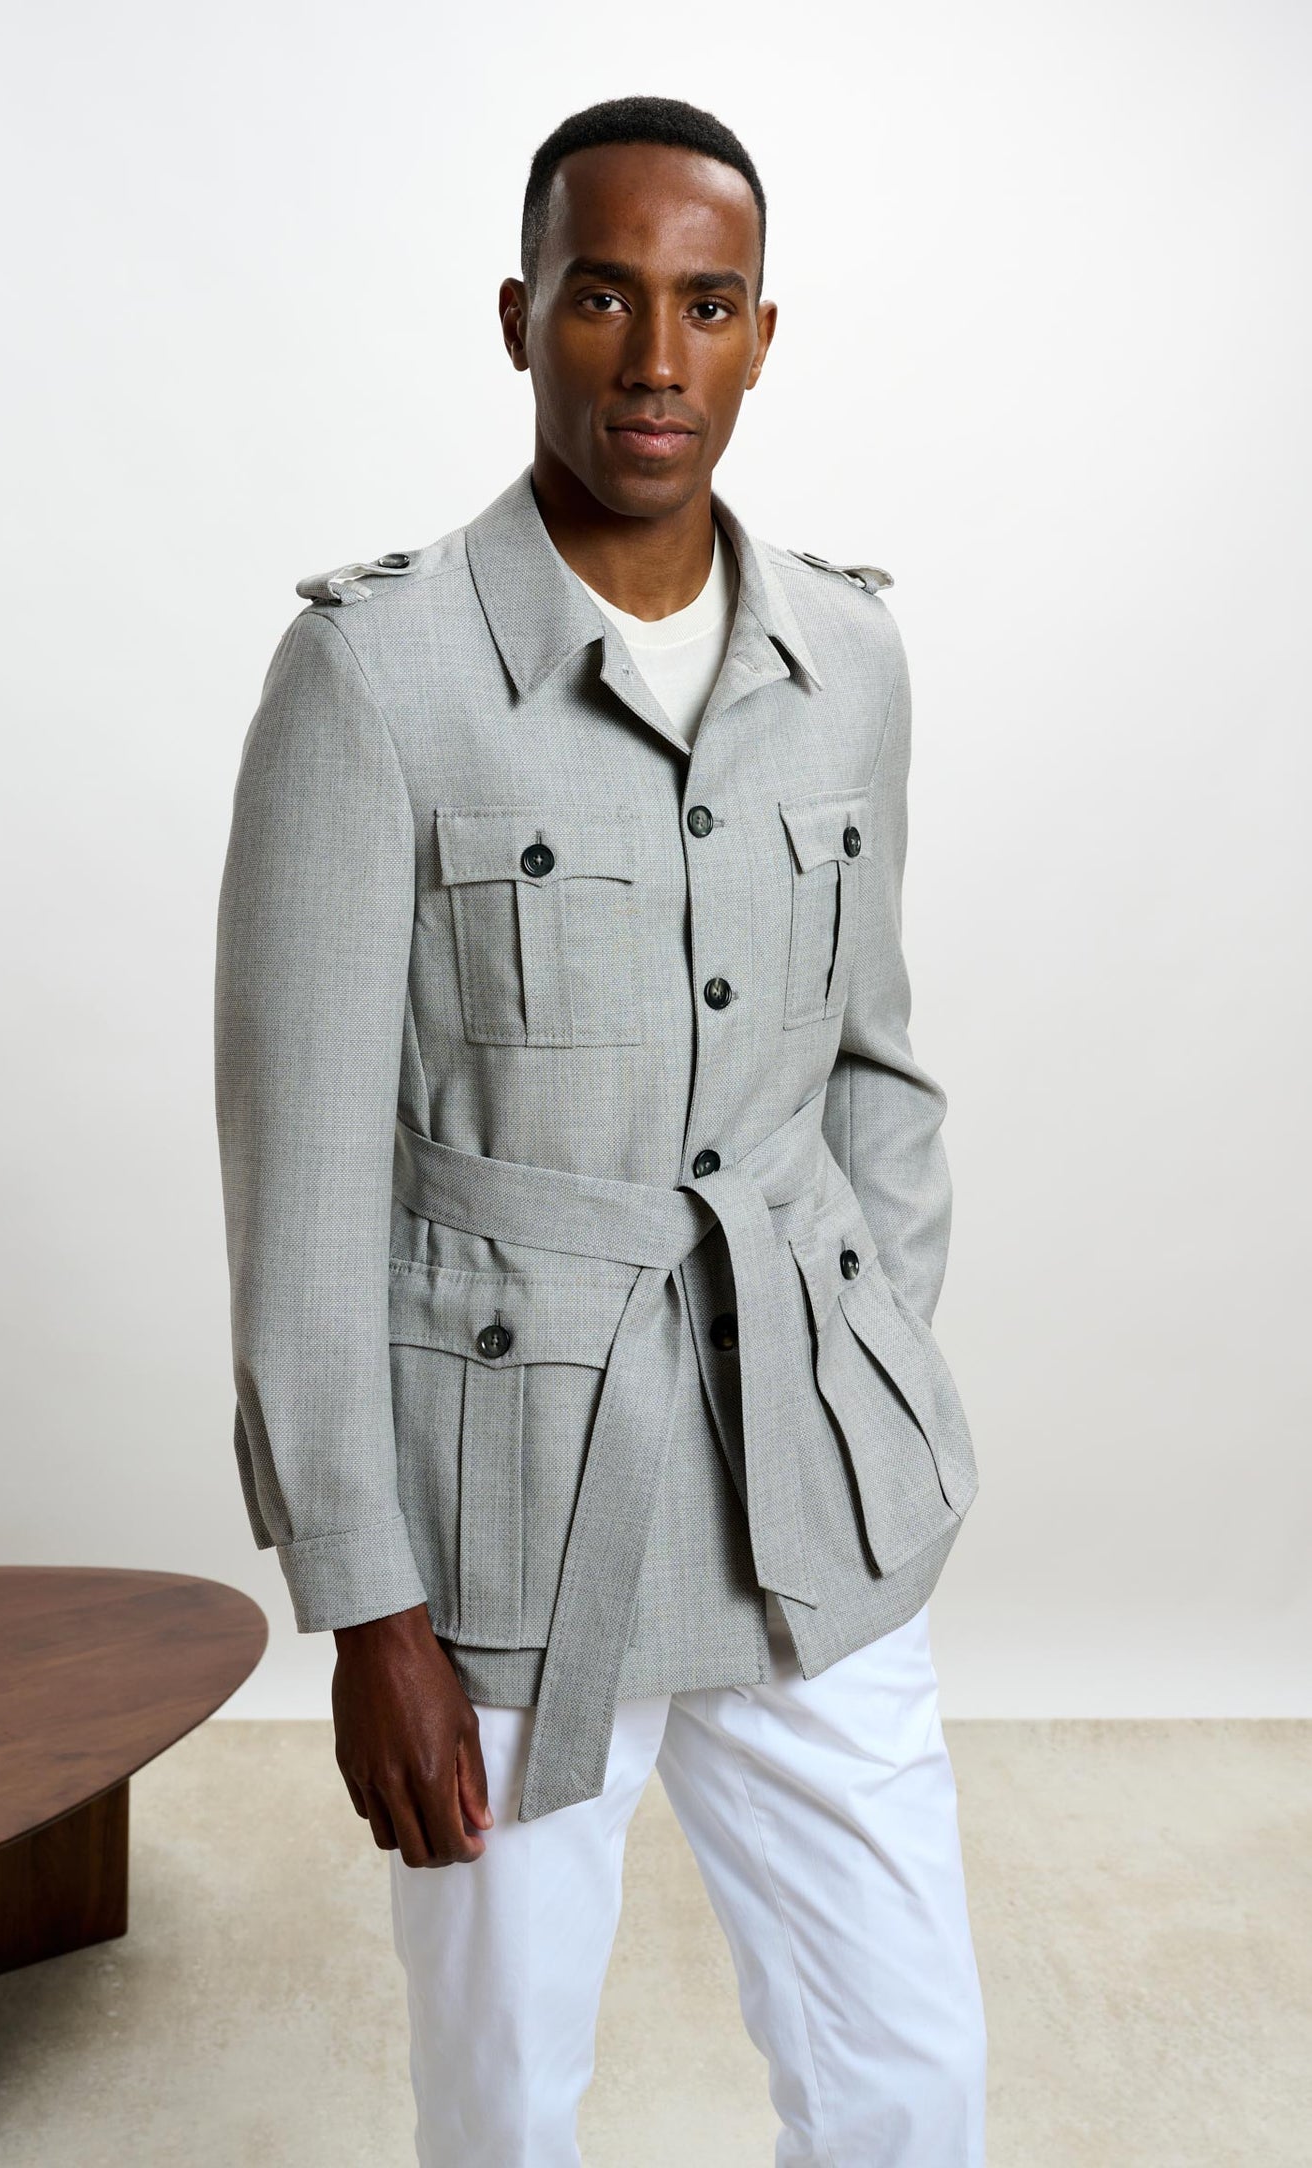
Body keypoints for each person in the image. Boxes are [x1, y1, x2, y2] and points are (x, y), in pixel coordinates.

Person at [214, 92, 987, 2168]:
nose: (655, 357)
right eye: (602, 297)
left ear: (761, 336)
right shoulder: (373, 679)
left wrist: (867, 1360)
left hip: (808, 1497)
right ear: (520, 316)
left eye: (705, 306)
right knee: (502, 2105)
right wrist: (366, 1605)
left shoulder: (850, 655)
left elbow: (877, 1072)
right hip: (503, 1532)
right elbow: (301, 1184)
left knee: (913, 2079)